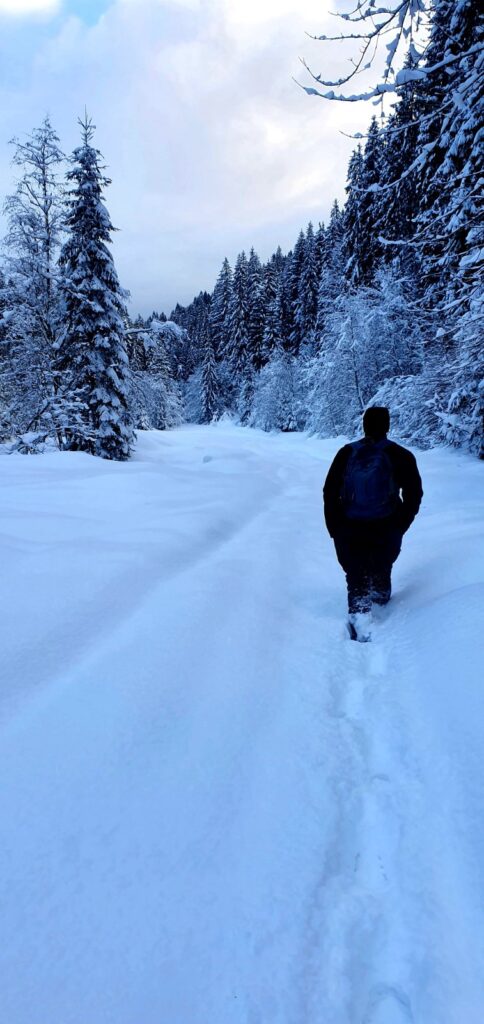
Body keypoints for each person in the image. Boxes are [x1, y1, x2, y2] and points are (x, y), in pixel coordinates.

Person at [323, 406, 423, 640]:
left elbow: (329, 491)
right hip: (386, 525)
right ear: (387, 426)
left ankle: (360, 618)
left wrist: (335, 528)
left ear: (364, 425)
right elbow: (414, 494)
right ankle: (380, 611)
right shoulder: (401, 455)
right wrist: (401, 524)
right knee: (381, 568)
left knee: (355, 575)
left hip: (349, 526)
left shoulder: (346, 453)